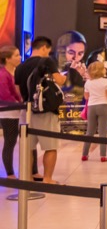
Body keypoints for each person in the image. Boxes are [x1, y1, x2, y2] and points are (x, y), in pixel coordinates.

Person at [15, 36, 66, 184]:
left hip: (26, 111)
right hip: (45, 111)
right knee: (50, 147)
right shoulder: (47, 61)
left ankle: (28, 178)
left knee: (28, 148)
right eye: (48, 50)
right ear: (44, 48)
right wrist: (65, 77)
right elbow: (59, 80)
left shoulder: (20, 66)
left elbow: (18, 91)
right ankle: (47, 178)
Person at [81, 61, 107, 162]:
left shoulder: (88, 83)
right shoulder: (106, 82)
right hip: (103, 106)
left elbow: (86, 97)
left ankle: (84, 155)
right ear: (102, 70)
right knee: (102, 132)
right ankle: (103, 156)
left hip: (91, 107)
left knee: (89, 132)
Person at [0, 46, 21, 177]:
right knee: (10, 141)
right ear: (8, 59)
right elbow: (5, 94)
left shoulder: (15, 72)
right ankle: (10, 173)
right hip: (8, 112)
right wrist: (18, 103)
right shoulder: (3, 74)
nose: (20, 57)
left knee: (14, 141)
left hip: (17, 110)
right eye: (16, 55)